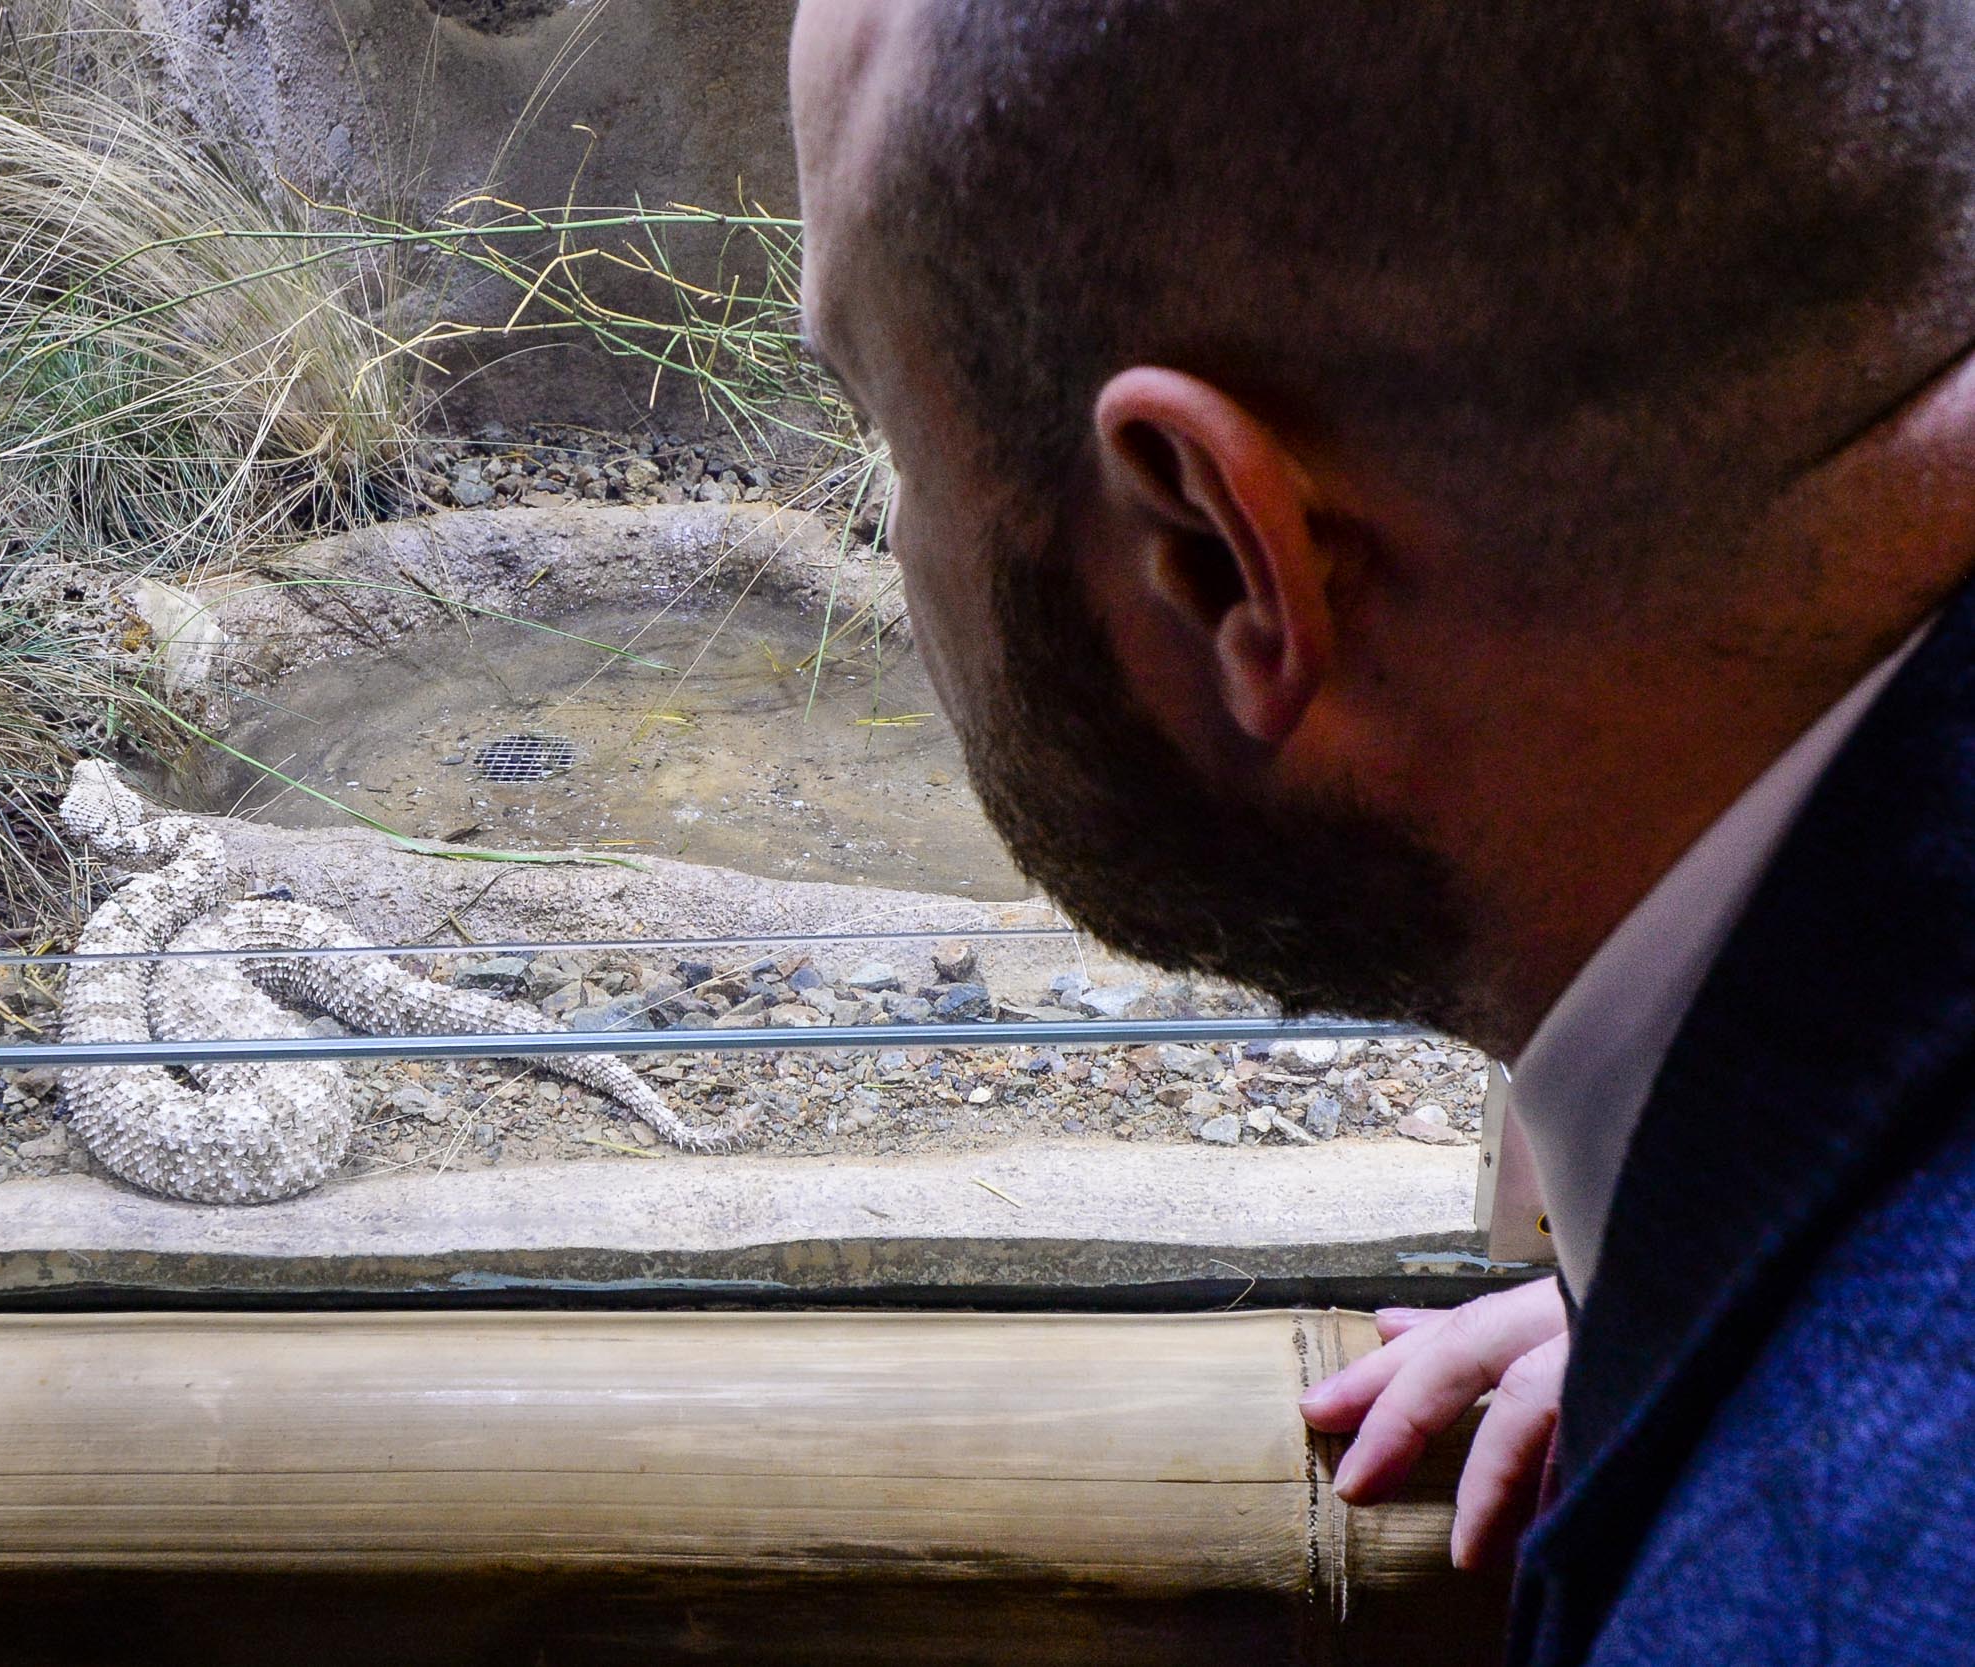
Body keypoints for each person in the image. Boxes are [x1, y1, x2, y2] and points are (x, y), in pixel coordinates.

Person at [790, 2, 1975, 1661]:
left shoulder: (1820, 1593)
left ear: (1218, 563)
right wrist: (1695, 1314)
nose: (890, 525)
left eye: (881, 430)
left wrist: (1807, 1444)